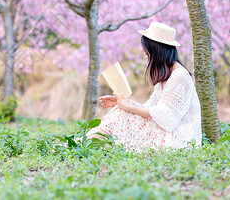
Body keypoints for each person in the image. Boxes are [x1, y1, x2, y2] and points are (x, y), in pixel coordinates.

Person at [86, 21, 202, 151]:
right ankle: (83, 142)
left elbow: (165, 116)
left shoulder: (179, 76)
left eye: (147, 52)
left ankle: (82, 143)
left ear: (157, 51)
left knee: (121, 113)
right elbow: (150, 107)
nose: (145, 55)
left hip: (176, 138)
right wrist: (122, 103)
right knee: (120, 112)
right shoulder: (168, 74)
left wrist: (128, 107)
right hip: (165, 129)